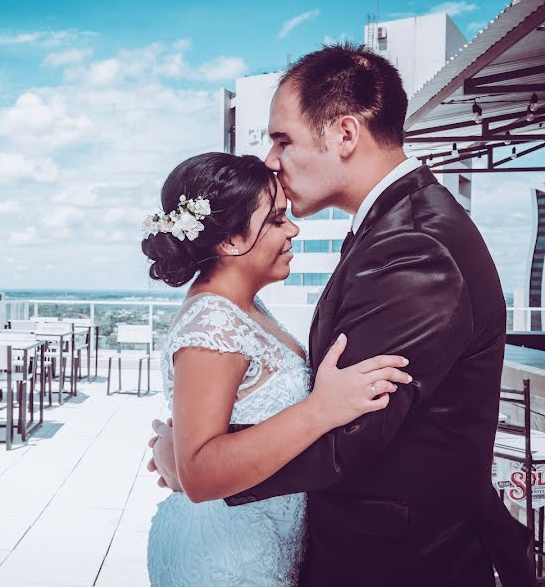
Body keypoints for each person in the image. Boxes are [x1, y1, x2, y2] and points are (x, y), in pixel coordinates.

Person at [149, 44, 534, 586]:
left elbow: (352, 430)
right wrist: (198, 459)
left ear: (345, 134)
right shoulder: (394, 226)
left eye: (283, 139)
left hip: (396, 559)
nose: (271, 161)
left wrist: (192, 465)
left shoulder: (415, 245)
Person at [141, 151, 412, 586]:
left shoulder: (244, 307)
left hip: (259, 545)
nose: (293, 229)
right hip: (224, 561)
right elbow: (200, 472)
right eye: (276, 219)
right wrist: (323, 408)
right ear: (229, 241)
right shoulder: (213, 322)